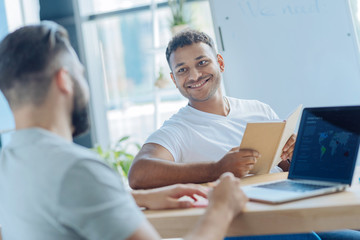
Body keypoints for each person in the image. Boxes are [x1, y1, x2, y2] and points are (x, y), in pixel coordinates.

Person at [0, 22, 249, 240]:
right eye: (81, 74)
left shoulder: (7, 165)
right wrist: (222, 208)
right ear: (64, 80)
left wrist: (136, 199)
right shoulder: (77, 170)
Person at [128, 29, 296, 190]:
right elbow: (138, 174)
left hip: (285, 199)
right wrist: (216, 170)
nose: (194, 76)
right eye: (182, 70)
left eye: (202, 63)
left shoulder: (259, 110)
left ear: (220, 63)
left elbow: (284, 167)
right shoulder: (177, 130)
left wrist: (292, 154)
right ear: (174, 79)